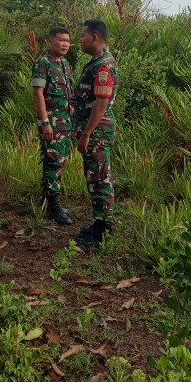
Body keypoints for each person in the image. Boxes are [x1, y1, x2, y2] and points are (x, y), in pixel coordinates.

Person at [72, 19, 119, 248]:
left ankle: (103, 232)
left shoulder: (103, 66)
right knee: (95, 177)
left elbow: (101, 103)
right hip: (94, 130)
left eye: (82, 36)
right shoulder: (97, 62)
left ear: (95, 37)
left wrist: (87, 134)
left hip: (97, 132)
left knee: (100, 179)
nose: (79, 40)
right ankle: (99, 223)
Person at [31, 27, 75, 225]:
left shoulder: (65, 64)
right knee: (52, 160)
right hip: (51, 122)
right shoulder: (43, 63)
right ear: (50, 41)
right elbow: (38, 93)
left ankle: (46, 201)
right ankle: (54, 205)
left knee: (59, 160)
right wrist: (45, 122)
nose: (65, 44)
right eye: (61, 40)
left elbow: (68, 93)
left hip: (64, 122)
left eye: (67, 40)